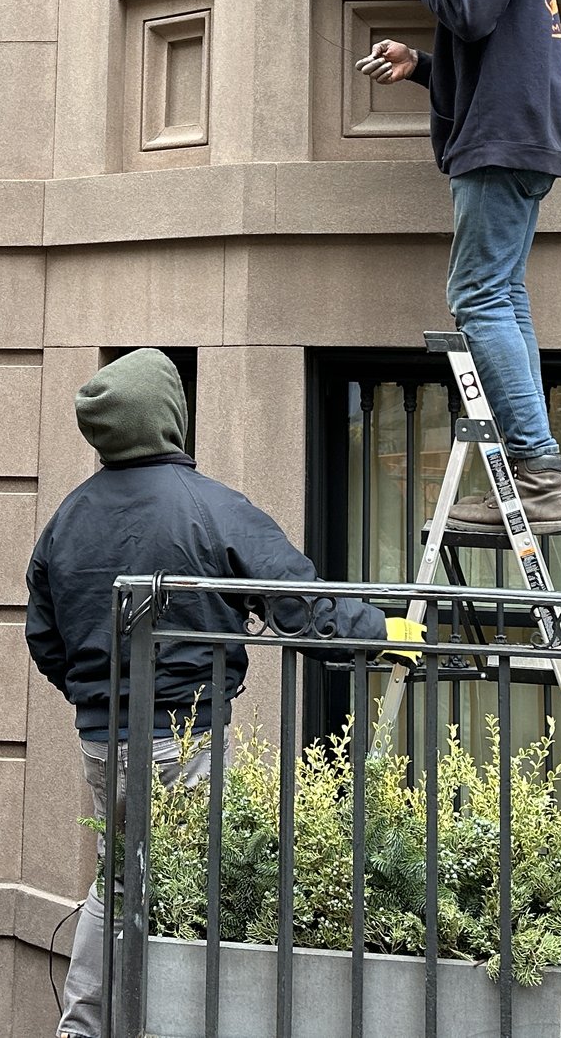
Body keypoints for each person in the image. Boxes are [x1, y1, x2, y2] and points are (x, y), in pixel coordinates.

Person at [25, 348, 398, 1038]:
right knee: (204, 883)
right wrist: (380, 627)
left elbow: (45, 639)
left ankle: (82, 1028)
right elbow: (295, 599)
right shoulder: (210, 506)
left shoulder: (66, 520)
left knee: (117, 881)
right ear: (168, 414)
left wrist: (95, 699)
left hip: (104, 741)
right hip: (187, 739)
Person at [359, 0, 561, 537]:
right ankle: (537, 469)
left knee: (477, 294)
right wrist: (420, 65)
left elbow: (465, 4)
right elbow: (485, 41)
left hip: (504, 144)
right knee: (503, 296)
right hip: (513, 137)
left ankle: (538, 475)